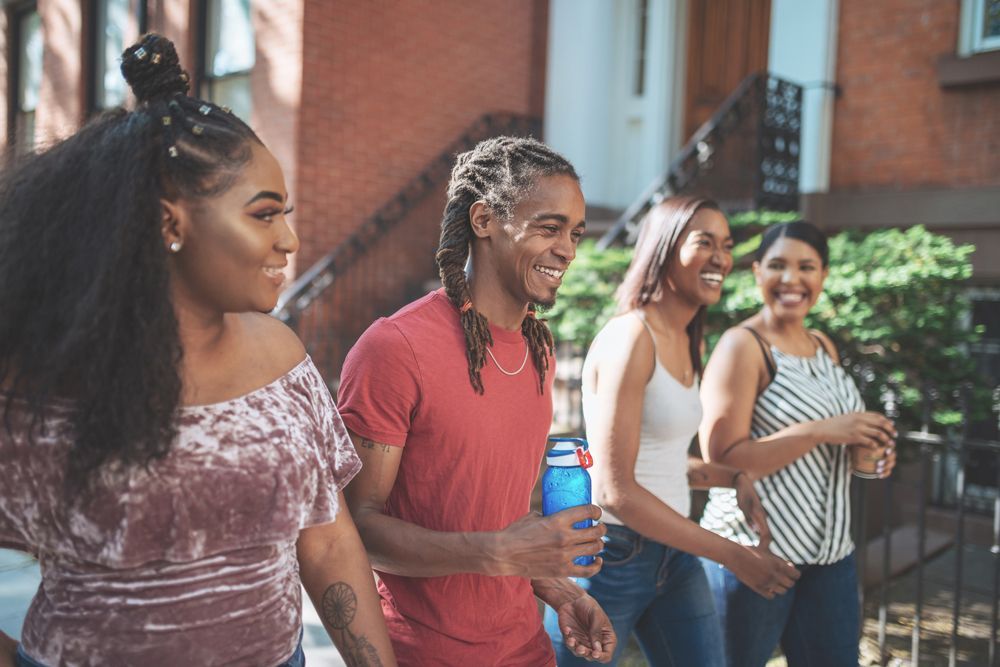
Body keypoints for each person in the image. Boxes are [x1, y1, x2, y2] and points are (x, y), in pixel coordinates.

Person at [0, 34, 394, 667]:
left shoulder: (284, 361)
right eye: (264, 214)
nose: (289, 239)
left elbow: (325, 542)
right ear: (168, 223)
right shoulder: (34, 386)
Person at [337, 136, 616, 666]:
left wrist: (562, 592)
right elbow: (355, 529)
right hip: (420, 653)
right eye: (549, 227)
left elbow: (499, 515)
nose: (568, 250)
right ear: (484, 219)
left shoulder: (538, 349)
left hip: (526, 648)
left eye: (575, 234)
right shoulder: (395, 348)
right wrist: (494, 553)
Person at [545, 197, 800, 666]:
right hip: (612, 556)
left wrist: (728, 476)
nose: (722, 257)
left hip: (675, 557)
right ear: (664, 249)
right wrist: (734, 555)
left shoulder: (685, 338)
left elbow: (654, 457)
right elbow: (615, 489)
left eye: (727, 245)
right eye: (705, 242)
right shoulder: (630, 338)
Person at [698, 221, 898, 667]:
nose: (791, 279)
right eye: (777, 266)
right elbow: (722, 461)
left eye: (806, 266)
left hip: (831, 558)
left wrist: (868, 455)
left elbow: (836, 445)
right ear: (756, 273)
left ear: (823, 275)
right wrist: (823, 430)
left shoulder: (822, 345)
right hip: (755, 557)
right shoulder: (742, 346)